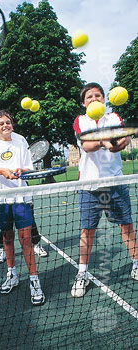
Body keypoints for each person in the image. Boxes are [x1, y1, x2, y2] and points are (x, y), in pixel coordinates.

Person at [71, 82, 138, 298]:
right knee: (87, 231)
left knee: (126, 226)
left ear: (104, 98)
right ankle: (82, 274)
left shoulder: (114, 117)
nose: (94, 99)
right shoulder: (80, 121)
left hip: (115, 182)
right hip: (90, 185)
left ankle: (136, 263)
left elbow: (124, 138)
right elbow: (87, 145)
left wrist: (118, 143)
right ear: (83, 103)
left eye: (98, 95)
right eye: (89, 97)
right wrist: (104, 141)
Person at [0, 110, 45, 305]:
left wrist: (20, 170)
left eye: (8, 122)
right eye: (1, 123)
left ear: (12, 125)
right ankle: (12, 274)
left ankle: (34, 281)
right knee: (7, 238)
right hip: (0, 199)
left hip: (20, 198)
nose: (5, 125)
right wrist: (2, 171)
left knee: (26, 239)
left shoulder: (20, 140)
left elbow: (29, 168)